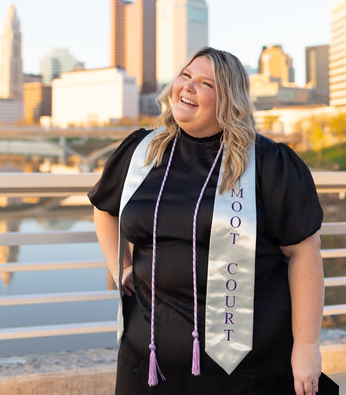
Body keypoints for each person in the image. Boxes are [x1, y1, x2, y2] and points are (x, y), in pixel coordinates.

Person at [88, 47, 329, 395]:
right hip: (148, 359)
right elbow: (104, 208)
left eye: (205, 83)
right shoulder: (141, 152)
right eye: (185, 76)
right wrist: (120, 267)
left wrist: (307, 347)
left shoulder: (266, 164)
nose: (188, 87)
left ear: (229, 100)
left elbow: (304, 252)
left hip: (240, 364)